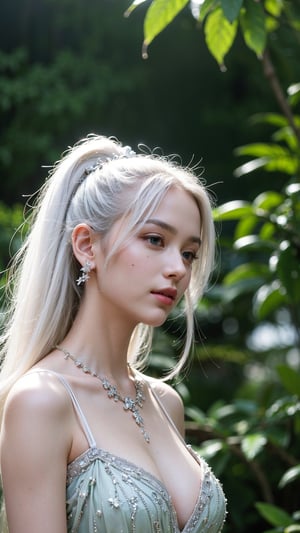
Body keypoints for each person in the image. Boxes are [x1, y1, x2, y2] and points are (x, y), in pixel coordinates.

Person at [0, 134, 226, 533]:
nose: (178, 268)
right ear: (87, 246)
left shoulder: (165, 403)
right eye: (155, 240)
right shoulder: (42, 401)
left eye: (189, 253)